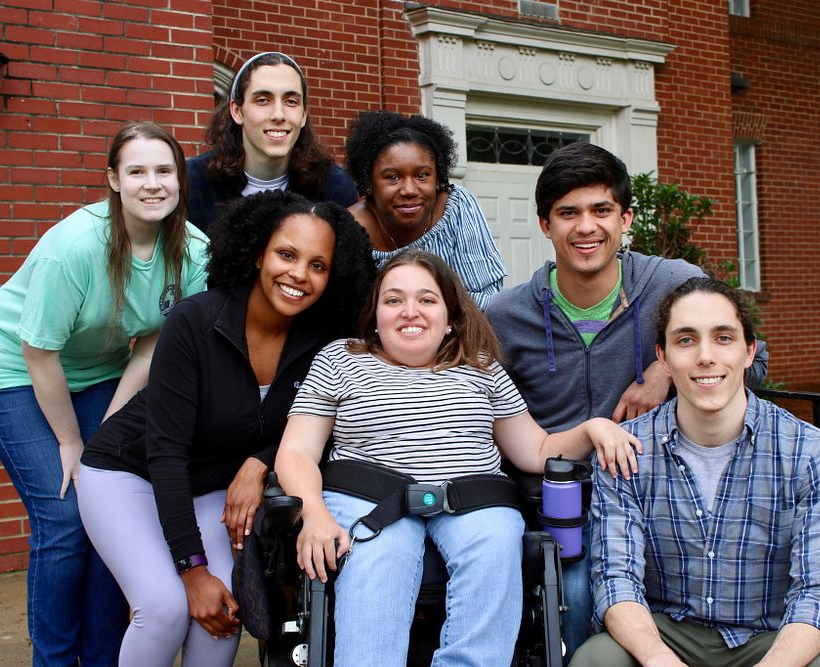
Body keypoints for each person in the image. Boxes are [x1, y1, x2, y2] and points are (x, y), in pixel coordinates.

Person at [274, 250, 641, 666]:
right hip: (367, 498)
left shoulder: (482, 369)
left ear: (450, 317)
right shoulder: (340, 359)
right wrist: (316, 513)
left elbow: (535, 450)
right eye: (393, 300)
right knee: (381, 552)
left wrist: (592, 428)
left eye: (427, 300)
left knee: (497, 543)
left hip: (473, 499)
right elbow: (297, 451)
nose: (410, 311)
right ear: (374, 316)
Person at [485, 141, 770, 658]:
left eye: (601, 210)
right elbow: (482, 415)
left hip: (658, 497)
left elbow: (754, 360)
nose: (586, 227)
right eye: (567, 213)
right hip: (555, 506)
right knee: (571, 595)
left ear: (626, 219)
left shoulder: (673, 285)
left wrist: (665, 370)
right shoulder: (506, 317)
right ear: (546, 225)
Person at [76, 191, 376, 667]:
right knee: (164, 608)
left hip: (213, 487)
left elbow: (325, 427)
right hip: (127, 473)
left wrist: (259, 463)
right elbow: (167, 452)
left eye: (318, 265)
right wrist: (192, 569)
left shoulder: (325, 343)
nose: (299, 274)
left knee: (224, 613)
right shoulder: (196, 321)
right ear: (258, 253)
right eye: (286, 254)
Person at [0, 121, 209, 666]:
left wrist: (111, 427)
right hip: (14, 369)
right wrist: (73, 443)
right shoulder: (74, 247)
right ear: (113, 180)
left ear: (180, 180)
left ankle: (103, 657)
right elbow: (38, 352)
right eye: (137, 171)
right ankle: (53, 660)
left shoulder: (193, 252)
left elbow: (152, 343)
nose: (153, 184)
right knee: (64, 517)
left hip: (101, 368)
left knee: (109, 513)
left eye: (165, 170)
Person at [571, 277, 820, 667]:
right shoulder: (628, 449)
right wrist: (658, 660)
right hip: (666, 633)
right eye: (686, 340)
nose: (706, 356)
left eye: (723, 338)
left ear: (749, 351)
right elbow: (616, 579)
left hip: (769, 638)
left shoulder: (808, 451)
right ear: (664, 357)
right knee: (598, 658)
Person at [345, 110, 507, 309]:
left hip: (461, 334)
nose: (409, 190)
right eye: (392, 177)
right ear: (368, 182)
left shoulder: (456, 206)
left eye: (422, 175)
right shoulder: (349, 229)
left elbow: (487, 300)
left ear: (437, 177)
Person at [187, 52, 358, 234]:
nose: (278, 114)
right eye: (263, 101)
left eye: (291, 101)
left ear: (303, 115)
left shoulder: (336, 189)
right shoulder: (192, 183)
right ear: (237, 111)